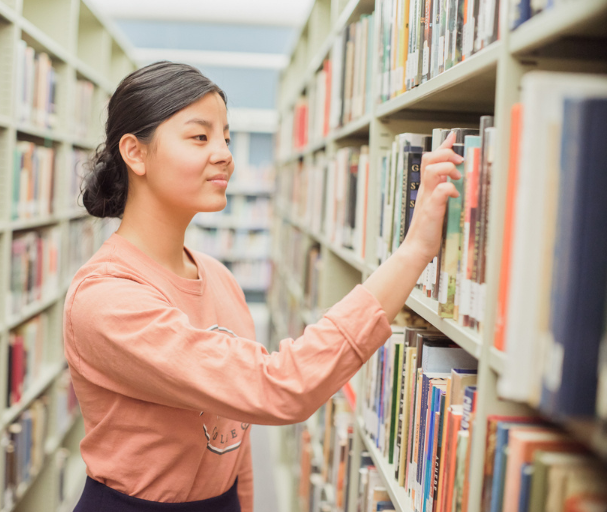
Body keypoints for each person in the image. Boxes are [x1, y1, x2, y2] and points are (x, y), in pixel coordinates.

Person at [65, 61, 463, 512]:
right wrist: (413, 252)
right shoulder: (105, 298)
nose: (224, 154)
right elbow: (279, 387)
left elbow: (234, 440)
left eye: (227, 138)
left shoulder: (219, 278)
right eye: (200, 137)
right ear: (135, 153)